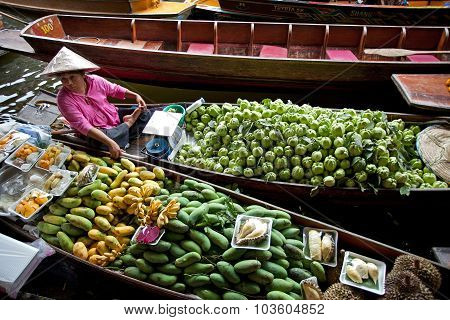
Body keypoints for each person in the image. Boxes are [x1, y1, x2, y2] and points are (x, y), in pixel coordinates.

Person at [41, 47, 151, 158]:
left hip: (113, 115)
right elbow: (84, 126)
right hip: (96, 132)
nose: (68, 82)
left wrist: (136, 95)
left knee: (145, 112)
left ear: (83, 74)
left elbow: (115, 89)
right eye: (64, 79)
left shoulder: (96, 80)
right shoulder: (63, 99)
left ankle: (123, 133)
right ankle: (128, 125)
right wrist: (110, 143)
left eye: (72, 77)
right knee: (106, 140)